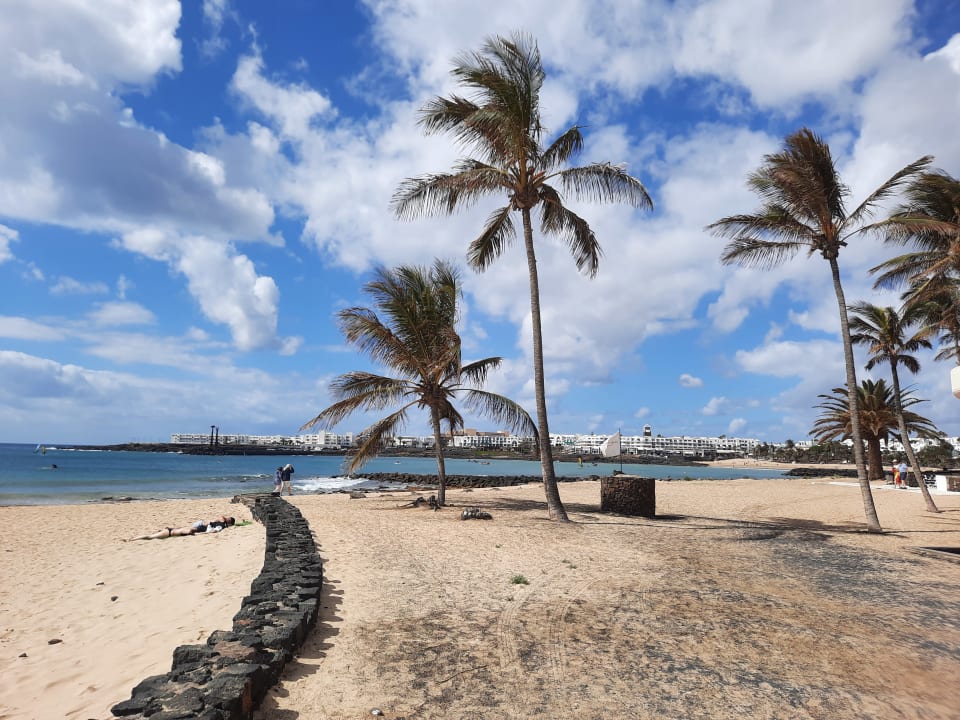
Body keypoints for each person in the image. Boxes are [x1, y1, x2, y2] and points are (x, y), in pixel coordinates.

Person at [128, 515, 235, 540]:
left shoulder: (219, 525)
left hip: (170, 531)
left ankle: (133, 539)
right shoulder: (188, 530)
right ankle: (132, 539)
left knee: (150, 536)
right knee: (150, 537)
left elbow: (211, 531)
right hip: (171, 532)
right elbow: (193, 531)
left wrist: (198, 533)